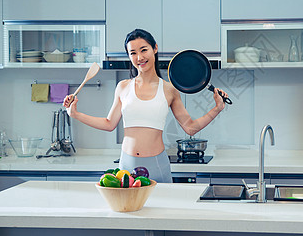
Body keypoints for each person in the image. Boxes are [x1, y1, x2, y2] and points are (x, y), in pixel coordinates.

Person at [63, 29, 228, 183]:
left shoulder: (170, 89)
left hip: (157, 164)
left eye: (144, 50)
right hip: (126, 166)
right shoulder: (123, 87)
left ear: (155, 48)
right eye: (133, 53)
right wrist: (75, 114)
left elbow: (190, 128)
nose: (139, 57)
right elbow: (109, 123)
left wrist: (217, 108)